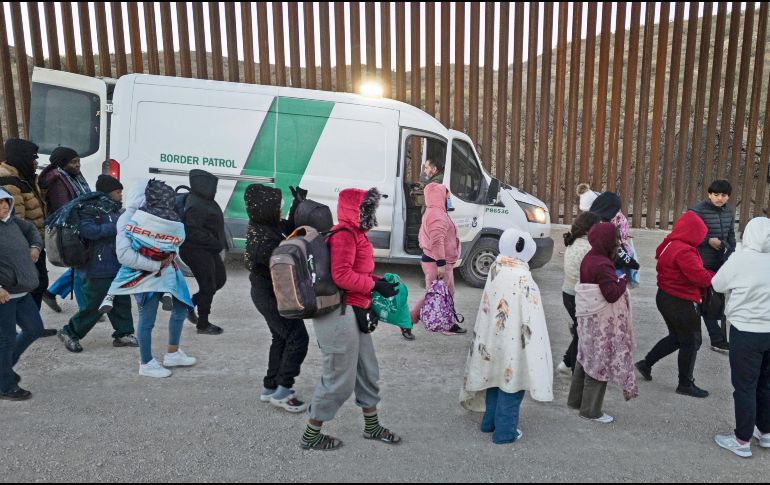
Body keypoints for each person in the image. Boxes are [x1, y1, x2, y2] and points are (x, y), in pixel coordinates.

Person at [301, 187, 401, 451]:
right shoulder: (344, 234)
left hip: (353, 311)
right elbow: (341, 276)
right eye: (365, 208)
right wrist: (374, 286)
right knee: (338, 379)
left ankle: (372, 426)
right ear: (353, 209)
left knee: (368, 371)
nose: (370, 212)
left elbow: (356, 271)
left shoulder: (357, 234)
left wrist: (378, 282)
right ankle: (311, 434)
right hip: (337, 314)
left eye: (371, 207)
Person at [460, 228, 554, 444]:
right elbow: (532, 316)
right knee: (512, 385)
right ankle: (505, 432)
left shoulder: (497, 267)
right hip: (515, 341)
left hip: (493, 338)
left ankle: (488, 423)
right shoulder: (523, 277)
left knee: (493, 379)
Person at [110, 180, 197, 378]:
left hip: (167, 272)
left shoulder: (157, 214)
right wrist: (156, 264)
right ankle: (146, 362)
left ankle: (173, 353)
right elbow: (124, 255)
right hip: (143, 276)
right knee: (147, 319)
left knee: (181, 308)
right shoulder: (127, 219)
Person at [244, 183, 309, 413]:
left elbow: (287, 228)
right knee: (297, 338)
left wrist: (297, 204)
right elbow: (286, 260)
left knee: (280, 337)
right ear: (266, 209)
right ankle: (283, 391)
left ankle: (270, 387)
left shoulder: (267, 226)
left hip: (273, 292)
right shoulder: (263, 239)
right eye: (278, 207)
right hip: (270, 295)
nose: (280, 211)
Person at [635, 211, 714, 398]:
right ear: (693, 232)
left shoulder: (670, 243)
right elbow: (700, 278)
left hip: (665, 296)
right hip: (681, 301)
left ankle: (646, 364)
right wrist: (715, 275)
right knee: (691, 341)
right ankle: (685, 384)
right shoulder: (685, 251)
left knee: (677, 338)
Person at [57, 175, 137, 353]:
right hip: (97, 265)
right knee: (96, 303)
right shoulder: (89, 209)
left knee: (121, 299)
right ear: (108, 193)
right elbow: (88, 231)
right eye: (117, 192)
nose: (120, 195)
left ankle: (123, 333)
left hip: (117, 264)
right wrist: (117, 228)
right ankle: (70, 332)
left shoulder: (116, 210)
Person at [567, 222, 638, 424]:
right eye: (615, 239)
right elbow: (611, 295)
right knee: (599, 361)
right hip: (600, 321)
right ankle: (591, 410)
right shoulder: (603, 264)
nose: (617, 242)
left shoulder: (589, 258)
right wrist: (622, 280)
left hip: (586, 318)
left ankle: (576, 401)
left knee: (585, 357)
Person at [711, 217, 770, 458]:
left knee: (744, 385)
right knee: (766, 383)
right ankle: (765, 432)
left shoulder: (740, 259)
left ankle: (741, 439)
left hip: (746, 330)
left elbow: (717, 284)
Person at [0, 139, 56, 337]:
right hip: (24, 247)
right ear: (20, 157)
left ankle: (32, 326)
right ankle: (27, 327)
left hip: (34, 244)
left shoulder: (23, 177)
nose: (35, 162)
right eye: (32, 157)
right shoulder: (9, 183)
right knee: (33, 283)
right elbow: (15, 220)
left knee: (38, 282)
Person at [0, 188, 45, 400]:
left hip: (22, 292)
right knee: (6, 339)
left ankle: (4, 369)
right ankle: (5, 386)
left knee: (34, 329)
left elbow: (34, 231)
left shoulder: (14, 223)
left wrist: (35, 246)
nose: (2, 207)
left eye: (4, 203)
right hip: (4, 295)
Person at [409, 182, 465, 337]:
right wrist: (440, 264)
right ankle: (410, 319)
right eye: (448, 197)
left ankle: (449, 322)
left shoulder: (435, 212)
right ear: (440, 196)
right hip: (437, 262)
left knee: (448, 292)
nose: (449, 200)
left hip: (442, 262)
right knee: (434, 295)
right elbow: (437, 241)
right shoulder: (436, 215)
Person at [39, 146, 91, 313]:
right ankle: (86, 310)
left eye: (78, 161)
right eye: (73, 162)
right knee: (79, 265)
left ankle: (51, 292)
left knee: (80, 264)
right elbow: (64, 208)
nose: (77, 165)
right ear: (62, 163)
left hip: (78, 224)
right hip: (68, 229)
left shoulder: (72, 176)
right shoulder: (58, 182)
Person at [178, 169, 227, 335]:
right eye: (213, 186)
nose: (215, 189)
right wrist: (214, 242)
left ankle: (189, 306)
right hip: (196, 251)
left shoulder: (204, 200)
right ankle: (203, 324)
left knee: (219, 281)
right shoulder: (196, 205)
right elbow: (192, 231)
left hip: (208, 249)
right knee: (208, 285)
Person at [690, 179, 735, 354]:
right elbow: (686, 232)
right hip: (702, 261)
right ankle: (717, 339)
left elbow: (731, 235)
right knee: (709, 301)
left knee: (718, 300)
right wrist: (708, 240)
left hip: (721, 262)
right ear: (709, 194)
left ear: (728, 197)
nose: (719, 198)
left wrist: (731, 253)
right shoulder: (698, 210)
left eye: (723, 195)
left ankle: (719, 337)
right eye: (716, 194)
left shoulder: (729, 212)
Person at [558, 211, 601, 376]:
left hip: (568, 292)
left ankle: (567, 362)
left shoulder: (573, 242)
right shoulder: (589, 247)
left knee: (580, 330)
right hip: (581, 295)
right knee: (583, 333)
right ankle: (576, 369)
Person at [589, 192, 640, 280]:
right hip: (609, 268)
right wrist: (633, 264)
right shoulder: (608, 227)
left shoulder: (587, 221)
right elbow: (618, 252)